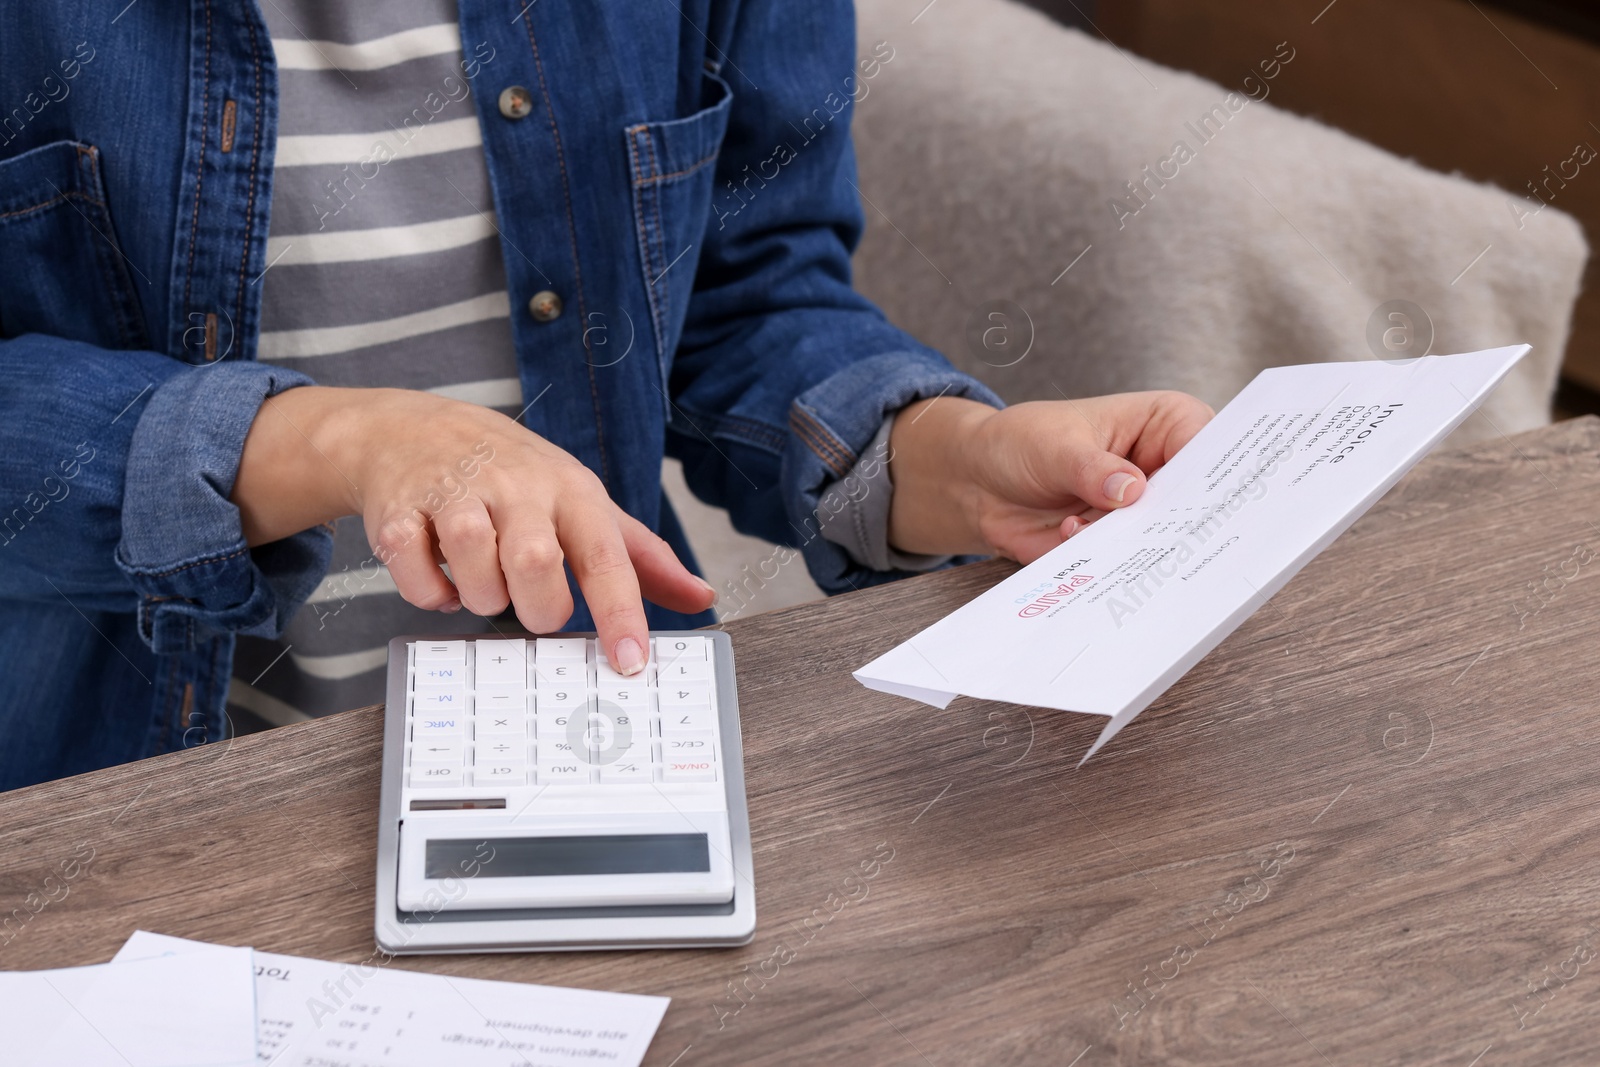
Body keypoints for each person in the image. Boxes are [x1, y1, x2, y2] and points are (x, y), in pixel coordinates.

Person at [0, 1, 1211, 791]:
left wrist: (951, 453)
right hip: (110, 792)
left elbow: (745, 292)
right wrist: (339, 435)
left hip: (594, 751)